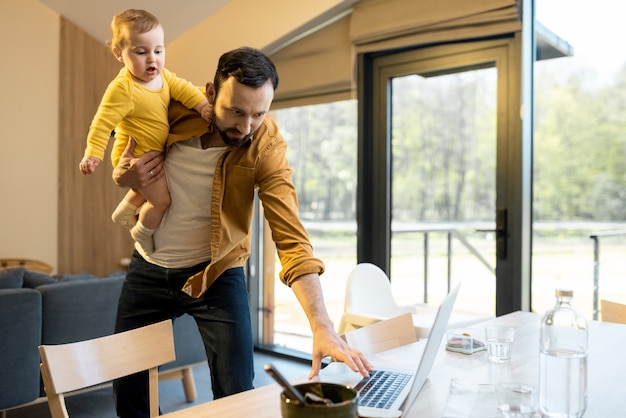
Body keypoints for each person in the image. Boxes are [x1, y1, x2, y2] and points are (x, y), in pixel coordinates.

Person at [111, 46, 372, 417]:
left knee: (237, 394)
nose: (245, 127)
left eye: (258, 114)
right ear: (210, 93)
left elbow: (292, 239)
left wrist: (322, 326)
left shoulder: (267, 148)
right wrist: (121, 174)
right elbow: (124, 135)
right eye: (235, 111)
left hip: (217, 273)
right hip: (148, 268)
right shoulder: (171, 111)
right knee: (128, 388)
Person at [79, 9, 211, 254]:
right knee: (162, 201)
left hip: (152, 155)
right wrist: (93, 155)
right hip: (134, 157)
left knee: (150, 191)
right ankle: (143, 237)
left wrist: (203, 106)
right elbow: (101, 123)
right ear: (119, 54)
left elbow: (184, 89)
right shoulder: (122, 88)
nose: (152, 59)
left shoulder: (163, 77)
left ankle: (123, 213)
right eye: (141, 52)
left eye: (158, 51)